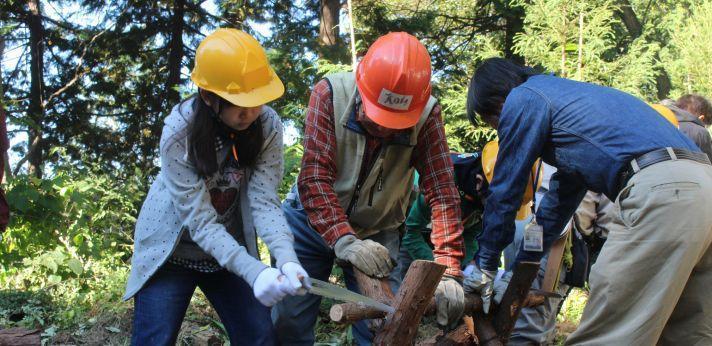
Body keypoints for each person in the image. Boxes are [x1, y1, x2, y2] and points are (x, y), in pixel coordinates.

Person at [463, 57, 712, 345]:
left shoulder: (524, 97)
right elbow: (558, 206)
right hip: (703, 182)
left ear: (498, 102)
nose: (500, 130)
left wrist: (484, 264)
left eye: (493, 121)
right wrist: (522, 266)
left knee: (606, 333)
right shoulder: (573, 106)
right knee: (686, 334)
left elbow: (506, 188)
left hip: (664, 191)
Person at [272, 32, 465, 345]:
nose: (384, 128)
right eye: (377, 117)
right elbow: (315, 177)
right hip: (309, 221)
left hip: (377, 229)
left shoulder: (427, 115)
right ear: (362, 87)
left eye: (395, 122)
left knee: (386, 324)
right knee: (289, 321)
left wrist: (450, 269)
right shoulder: (330, 94)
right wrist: (343, 239)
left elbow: (442, 191)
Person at [123, 29, 309, 346]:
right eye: (239, 104)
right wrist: (254, 272)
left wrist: (286, 257)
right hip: (170, 255)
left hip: (230, 253)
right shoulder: (177, 134)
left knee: (260, 336)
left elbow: (264, 202)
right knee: (154, 339)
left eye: (257, 102)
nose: (250, 113)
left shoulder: (267, 126)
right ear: (209, 97)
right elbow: (201, 223)